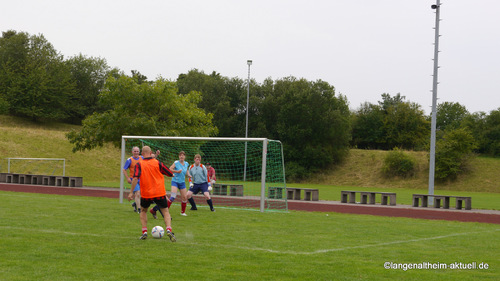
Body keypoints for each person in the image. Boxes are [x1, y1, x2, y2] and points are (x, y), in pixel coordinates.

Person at [127, 146, 176, 241]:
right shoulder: (157, 163)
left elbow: (135, 178)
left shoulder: (139, 164)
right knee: (165, 212)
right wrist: (172, 174)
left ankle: (144, 232)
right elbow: (170, 173)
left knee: (143, 211)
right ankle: (169, 230)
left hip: (146, 194)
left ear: (142, 154)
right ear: (151, 153)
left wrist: (130, 193)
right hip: (159, 192)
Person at [150, 151, 189, 218]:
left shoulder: (186, 163)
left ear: (185, 156)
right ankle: (163, 210)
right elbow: (170, 169)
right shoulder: (176, 163)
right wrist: (177, 171)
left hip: (182, 182)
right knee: (173, 196)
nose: (181, 156)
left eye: (183, 155)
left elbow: (186, 170)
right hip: (175, 181)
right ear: (179, 156)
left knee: (184, 197)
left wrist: (189, 175)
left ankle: (183, 212)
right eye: (180, 155)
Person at [122, 146, 143, 213]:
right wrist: (127, 178)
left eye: (137, 151)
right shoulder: (129, 160)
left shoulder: (142, 158)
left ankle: (135, 204)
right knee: (138, 193)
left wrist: (156, 155)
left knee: (142, 194)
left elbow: (150, 159)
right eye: (135, 151)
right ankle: (139, 210)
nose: (136, 152)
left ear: (139, 152)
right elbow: (124, 169)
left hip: (142, 179)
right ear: (132, 152)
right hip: (134, 179)